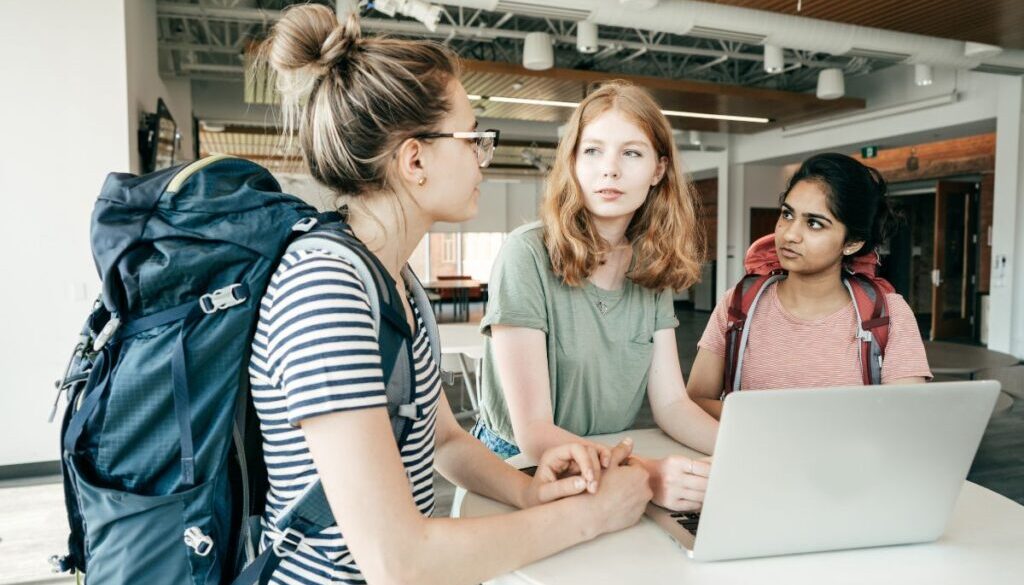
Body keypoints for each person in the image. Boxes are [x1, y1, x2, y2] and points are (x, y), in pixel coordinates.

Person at [251, 6, 651, 585]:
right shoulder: (327, 289)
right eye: (472, 139)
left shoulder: (395, 281)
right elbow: (398, 562)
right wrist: (591, 514)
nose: (481, 156)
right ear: (414, 160)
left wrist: (529, 489)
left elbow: (442, 438)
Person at [474, 81, 719, 513]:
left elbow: (671, 403)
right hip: (520, 469)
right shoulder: (526, 254)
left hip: (609, 463)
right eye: (592, 151)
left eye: (631, 153)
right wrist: (646, 474)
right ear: (572, 162)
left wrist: (742, 452)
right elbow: (534, 431)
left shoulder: (652, 265)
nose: (610, 169)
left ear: (658, 170)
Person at [687, 153, 932, 419]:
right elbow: (696, 400)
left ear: (852, 243)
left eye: (814, 223)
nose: (790, 234)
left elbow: (905, 418)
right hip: (757, 459)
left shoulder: (888, 315)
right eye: (787, 214)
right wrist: (778, 426)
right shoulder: (739, 304)